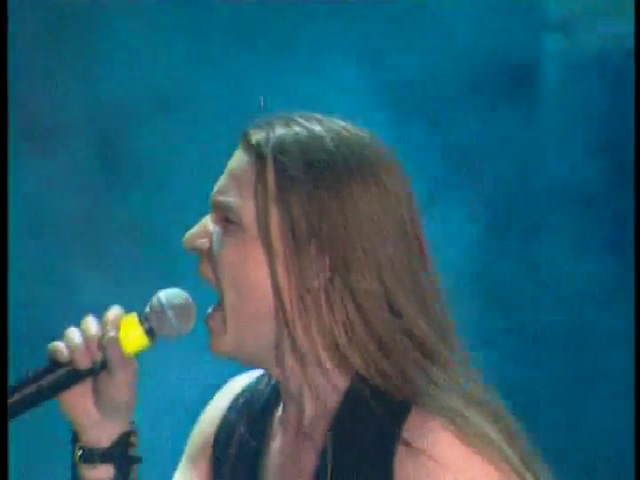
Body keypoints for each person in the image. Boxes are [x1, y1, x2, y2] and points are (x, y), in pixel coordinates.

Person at [48, 113, 552, 480]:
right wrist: (102, 438)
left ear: (316, 262)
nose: (194, 238)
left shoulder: (436, 458)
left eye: (228, 220)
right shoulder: (234, 424)